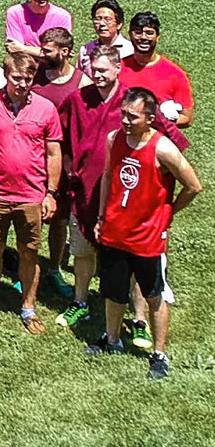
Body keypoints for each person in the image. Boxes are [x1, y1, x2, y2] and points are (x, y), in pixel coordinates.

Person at [86, 89, 201, 380]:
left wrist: (168, 212)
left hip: (147, 239)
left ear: (150, 119)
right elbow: (110, 178)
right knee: (113, 292)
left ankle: (159, 353)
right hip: (115, 232)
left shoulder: (163, 149)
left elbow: (193, 186)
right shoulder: (115, 139)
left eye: (132, 116)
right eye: (123, 114)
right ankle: (111, 339)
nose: (124, 120)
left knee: (153, 294)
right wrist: (101, 217)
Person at [0, 52, 62, 334]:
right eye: (16, 78)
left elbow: (53, 152)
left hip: (31, 195)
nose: (22, 84)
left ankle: (28, 307)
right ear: (6, 76)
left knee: (29, 252)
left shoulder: (46, 109)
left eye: (27, 79)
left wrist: (51, 192)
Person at [121, 11, 194, 128]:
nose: (143, 37)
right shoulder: (117, 68)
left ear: (158, 37)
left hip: (156, 142)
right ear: (130, 35)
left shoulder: (175, 74)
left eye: (149, 33)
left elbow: (187, 118)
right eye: (138, 33)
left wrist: (164, 120)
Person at [4, 0, 73, 54]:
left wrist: (23, 48)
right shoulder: (15, 13)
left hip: (53, 66)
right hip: (24, 65)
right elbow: (14, 50)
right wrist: (47, 52)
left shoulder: (63, 16)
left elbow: (60, 53)